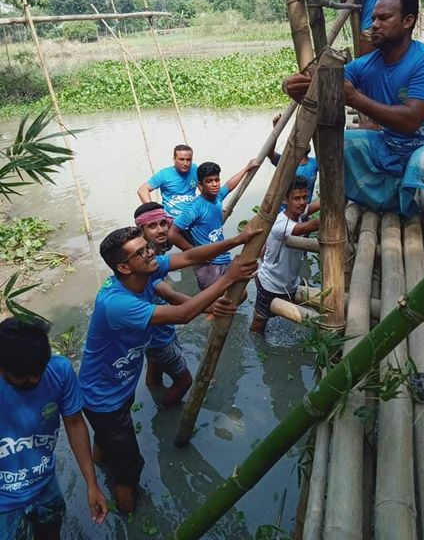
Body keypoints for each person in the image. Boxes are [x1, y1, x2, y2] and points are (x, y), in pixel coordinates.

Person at [79, 225, 258, 513]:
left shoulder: (144, 273)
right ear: (124, 267)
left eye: (148, 247)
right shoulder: (117, 303)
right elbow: (182, 315)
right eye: (142, 252)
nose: (152, 253)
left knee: (107, 436)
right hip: (102, 398)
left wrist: (237, 240)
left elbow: (189, 258)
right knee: (130, 469)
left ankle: (101, 461)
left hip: (115, 387)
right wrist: (230, 279)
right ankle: (129, 516)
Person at [284, 0, 424, 219]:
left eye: (384, 18)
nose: (374, 24)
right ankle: (398, 194)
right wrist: (297, 88)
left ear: (408, 21)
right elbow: (326, 86)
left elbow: (411, 121)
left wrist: (354, 98)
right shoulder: (365, 66)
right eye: (373, 18)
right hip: (393, 147)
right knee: (338, 145)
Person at [0, 317, 107, 540]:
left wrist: (91, 483)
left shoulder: (59, 371)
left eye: (39, 369)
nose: (36, 378)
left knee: (51, 531)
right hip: (4, 506)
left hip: (45, 485)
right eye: (25, 376)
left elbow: (75, 423)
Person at [169, 158, 259, 290]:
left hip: (224, 260)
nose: (214, 184)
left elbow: (229, 185)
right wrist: (194, 253)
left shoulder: (217, 198)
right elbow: (172, 234)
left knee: (238, 295)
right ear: (201, 185)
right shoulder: (194, 208)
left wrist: (247, 168)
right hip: (208, 266)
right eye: (209, 181)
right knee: (217, 304)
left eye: (216, 180)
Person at [250, 176, 320, 334]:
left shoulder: (300, 213)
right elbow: (307, 227)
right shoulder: (280, 225)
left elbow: (314, 206)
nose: (302, 202)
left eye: (304, 197)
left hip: (290, 284)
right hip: (270, 285)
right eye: (296, 198)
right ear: (284, 200)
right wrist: (333, 215)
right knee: (259, 324)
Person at [267, 114, 318, 204]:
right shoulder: (286, 162)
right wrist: (276, 129)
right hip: (286, 208)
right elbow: (270, 153)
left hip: (304, 207)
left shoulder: (314, 163)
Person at [137, 144, 198, 218]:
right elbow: (142, 190)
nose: (185, 164)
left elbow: (204, 189)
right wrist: (153, 212)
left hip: (193, 218)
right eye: (181, 159)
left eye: (188, 160)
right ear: (174, 159)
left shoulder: (195, 169)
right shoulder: (164, 174)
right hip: (172, 220)